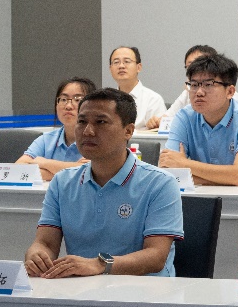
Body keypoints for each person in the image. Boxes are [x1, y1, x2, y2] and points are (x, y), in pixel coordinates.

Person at [24, 89, 184, 278]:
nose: (88, 131)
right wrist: (37, 255)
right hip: (81, 287)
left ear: (128, 131)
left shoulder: (160, 184)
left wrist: (99, 264)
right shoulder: (62, 182)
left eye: (100, 122)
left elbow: (155, 257)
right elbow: (46, 243)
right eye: (81, 122)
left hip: (145, 290)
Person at [159, 53, 238, 186]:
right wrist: (229, 178)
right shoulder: (184, 117)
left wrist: (184, 164)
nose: (199, 92)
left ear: (230, 92)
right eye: (194, 84)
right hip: (207, 194)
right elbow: (167, 172)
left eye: (208, 85)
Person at [16, 77, 97, 181]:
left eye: (77, 99)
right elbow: (18, 169)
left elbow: (89, 172)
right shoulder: (46, 140)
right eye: (63, 99)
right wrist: (71, 168)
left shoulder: (97, 140)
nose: (68, 106)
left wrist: (45, 163)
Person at [147, 44, 238, 131]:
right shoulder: (186, 96)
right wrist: (157, 122)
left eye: (208, 85)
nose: (199, 92)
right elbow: (167, 120)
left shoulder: (233, 100)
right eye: (189, 66)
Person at [108, 45, 166, 130]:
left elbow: (160, 132)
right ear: (110, 69)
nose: (121, 66)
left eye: (127, 61)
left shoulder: (153, 100)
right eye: (116, 62)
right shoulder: (107, 100)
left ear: (138, 67)